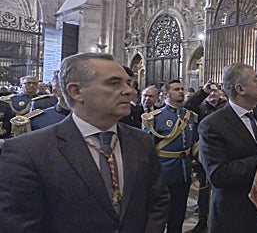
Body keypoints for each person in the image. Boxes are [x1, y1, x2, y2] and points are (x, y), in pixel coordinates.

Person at [0, 52, 170, 232]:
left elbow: (158, 201)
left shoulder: (140, 140)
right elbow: (20, 224)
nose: (130, 91)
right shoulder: (28, 151)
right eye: (114, 83)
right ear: (76, 91)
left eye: (128, 83)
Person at [198, 63, 257, 233]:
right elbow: (218, 175)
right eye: (256, 80)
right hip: (234, 215)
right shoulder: (212, 125)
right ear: (240, 89)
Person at [143, 79, 197, 233]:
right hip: (163, 173)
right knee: (159, 215)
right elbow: (147, 151)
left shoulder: (190, 116)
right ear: (166, 94)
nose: (181, 92)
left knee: (179, 213)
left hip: (183, 173)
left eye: (182, 89)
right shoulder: (155, 118)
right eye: (176, 89)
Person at [183, 81, 227, 233]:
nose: (213, 94)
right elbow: (187, 107)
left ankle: (217, 217)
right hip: (204, 152)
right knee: (203, 187)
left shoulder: (226, 106)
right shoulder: (201, 107)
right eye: (211, 92)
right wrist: (203, 92)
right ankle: (203, 218)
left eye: (216, 91)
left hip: (224, 152)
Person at [10, 70, 69, 135]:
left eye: (35, 83)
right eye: (28, 83)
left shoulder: (46, 101)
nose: (32, 85)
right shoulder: (12, 99)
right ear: (21, 85)